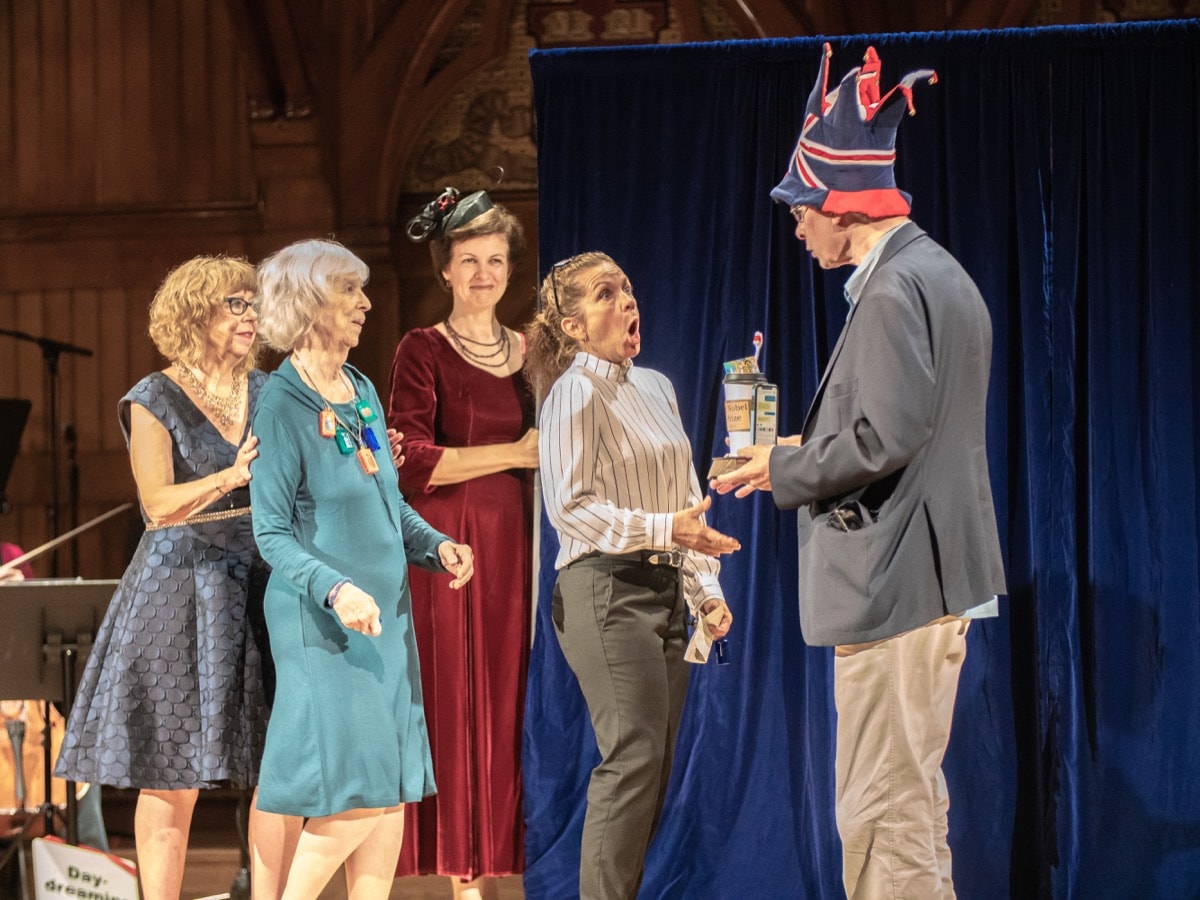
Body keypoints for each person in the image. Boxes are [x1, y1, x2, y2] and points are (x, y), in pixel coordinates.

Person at [713, 43, 1007, 899]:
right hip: (929, 581)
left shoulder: (890, 290)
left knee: (883, 813)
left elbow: (887, 438)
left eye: (804, 209)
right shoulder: (938, 273)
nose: (798, 227)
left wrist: (785, 466)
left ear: (842, 205)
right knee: (908, 805)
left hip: (896, 587)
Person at [249, 238, 475, 900]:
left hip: (385, 611)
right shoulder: (281, 405)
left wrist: (437, 545)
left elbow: (387, 503)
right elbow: (271, 532)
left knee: (391, 787)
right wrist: (336, 587)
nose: (365, 303)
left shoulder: (362, 389)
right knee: (360, 789)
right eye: (349, 290)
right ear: (310, 301)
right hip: (324, 621)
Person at [53, 256, 286, 899]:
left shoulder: (269, 389)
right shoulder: (154, 396)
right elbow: (156, 503)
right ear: (195, 314)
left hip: (262, 582)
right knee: (172, 771)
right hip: (180, 589)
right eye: (234, 305)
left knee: (275, 764)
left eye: (253, 304)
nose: (250, 316)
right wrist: (230, 475)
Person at [525, 251, 739, 900]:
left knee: (652, 772)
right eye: (605, 294)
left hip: (664, 591)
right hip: (603, 591)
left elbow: (684, 496)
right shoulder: (572, 393)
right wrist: (664, 531)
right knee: (632, 762)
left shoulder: (657, 387)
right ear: (571, 326)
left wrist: (705, 590)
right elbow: (571, 508)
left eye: (629, 290)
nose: (627, 302)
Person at [388, 188, 536, 899]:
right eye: (469, 259)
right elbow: (409, 460)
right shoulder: (422, 349)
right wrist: (512, 452)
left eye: (496, 259)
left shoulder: (534, 351)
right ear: (444, 269)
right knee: (459, 697)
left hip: (520, 544)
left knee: (512, 697)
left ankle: (512, 860)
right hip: (451, 545)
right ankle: (462, 878)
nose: (484, 272)